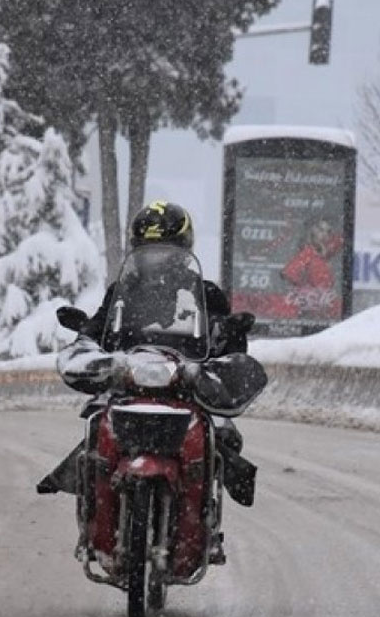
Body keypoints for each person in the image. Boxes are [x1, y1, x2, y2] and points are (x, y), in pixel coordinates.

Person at [36, 200, 259, 512]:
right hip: (128, 378)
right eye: (149, 251)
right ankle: (93, 503)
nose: (157, 261)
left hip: (183, 382)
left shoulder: (205, 294)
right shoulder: (123, 289)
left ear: (184, 249)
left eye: (166, 251)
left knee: (223, 436)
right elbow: (102, 325)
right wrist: (87, 330)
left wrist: (230, 332)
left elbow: (222, 342)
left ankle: (205, 507)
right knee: (96, 421)